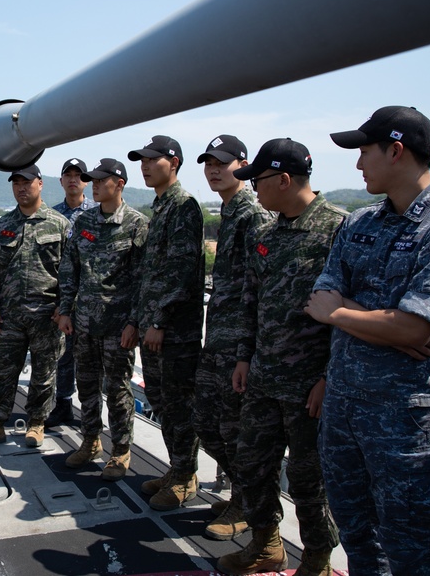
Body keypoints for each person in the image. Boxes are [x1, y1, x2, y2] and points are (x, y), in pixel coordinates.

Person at [307, 106, 430, 575]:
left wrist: (343, 313)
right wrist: (381, 322)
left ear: (396, 151)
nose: (358, 164)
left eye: (364, 152)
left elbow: (413, 329)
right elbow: (319, 297)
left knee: (413, 550)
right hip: (344, 409)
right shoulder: (359, 223)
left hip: (405, 420)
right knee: (358, 537)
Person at [217, 138, 343, 576]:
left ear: (284, 180)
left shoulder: (336, 230)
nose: (254, 189)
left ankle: (317, 559)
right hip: (263, 378)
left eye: (259, 181)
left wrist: (329, 377)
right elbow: (251, 301)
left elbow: (348, 316)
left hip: (309, 385)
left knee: (309, 482)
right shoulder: (265, 232)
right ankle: (266, 544)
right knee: (251, 464)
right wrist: (243, 358)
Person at [191, 135, 273, 541]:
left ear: (243, 165)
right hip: (218, 339)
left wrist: (248, 350)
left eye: (222, 162)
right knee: (207, 422)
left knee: (236, 430)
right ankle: (245, 494)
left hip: (239, 344)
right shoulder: (228, 212)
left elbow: (262, 287)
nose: (214, 169)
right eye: (208, 162)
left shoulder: (253, 215)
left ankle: (247, 503)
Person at [0, 164, 71, 452]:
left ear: (40, 184)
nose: (21, 188)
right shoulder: (2, 226)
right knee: (2, 372)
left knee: (44, 372)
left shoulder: (59, 224)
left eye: (27, 182)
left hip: (46, 316)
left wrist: (64, 307)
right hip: (10, 317)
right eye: (16, 183)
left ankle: (37, 423)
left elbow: (70, 271)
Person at [57, 158, 148, 480]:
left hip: (118, 326)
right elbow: (70, 271)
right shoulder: (83, 224)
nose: (93, 185)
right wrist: (65, 310)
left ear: (119, 184)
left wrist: (135, 323)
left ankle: (121, 450)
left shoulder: (137, 224)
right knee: (87, 386)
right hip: (84, 323)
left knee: (119, 390)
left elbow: (142, 280)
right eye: (91, 181)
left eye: (100, 181)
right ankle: (91, 440)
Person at [127, 135, 205, 511]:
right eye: (141, 160)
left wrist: (158, 319)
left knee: (178, 404)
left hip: (174, 331)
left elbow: (182, 271)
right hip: (153, 327)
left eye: (151, 159)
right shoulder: (160, 207)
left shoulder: (183, 207)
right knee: (160, 400)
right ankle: (178, 469)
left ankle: (186, 476)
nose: (144, 165)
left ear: (173, 162)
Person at [47, 158, 96, 428]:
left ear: (86, 181)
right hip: (60, 299)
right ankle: (63, 405)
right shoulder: (52, 216)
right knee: (62, 356)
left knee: (90, 359)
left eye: (79, 175)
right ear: (61, 181)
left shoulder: (98, 214)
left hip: (90, 299)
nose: (74, 179)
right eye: (69, 175)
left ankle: (90, 412)